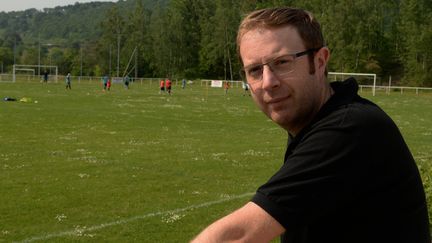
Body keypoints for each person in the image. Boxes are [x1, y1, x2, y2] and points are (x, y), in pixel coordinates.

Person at [191, 7, 430, 243]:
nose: (268, 82)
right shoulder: (313, 122)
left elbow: (236, 236)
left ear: (320, 61)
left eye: (282, 62)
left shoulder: (351, 128)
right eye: (254, 70)